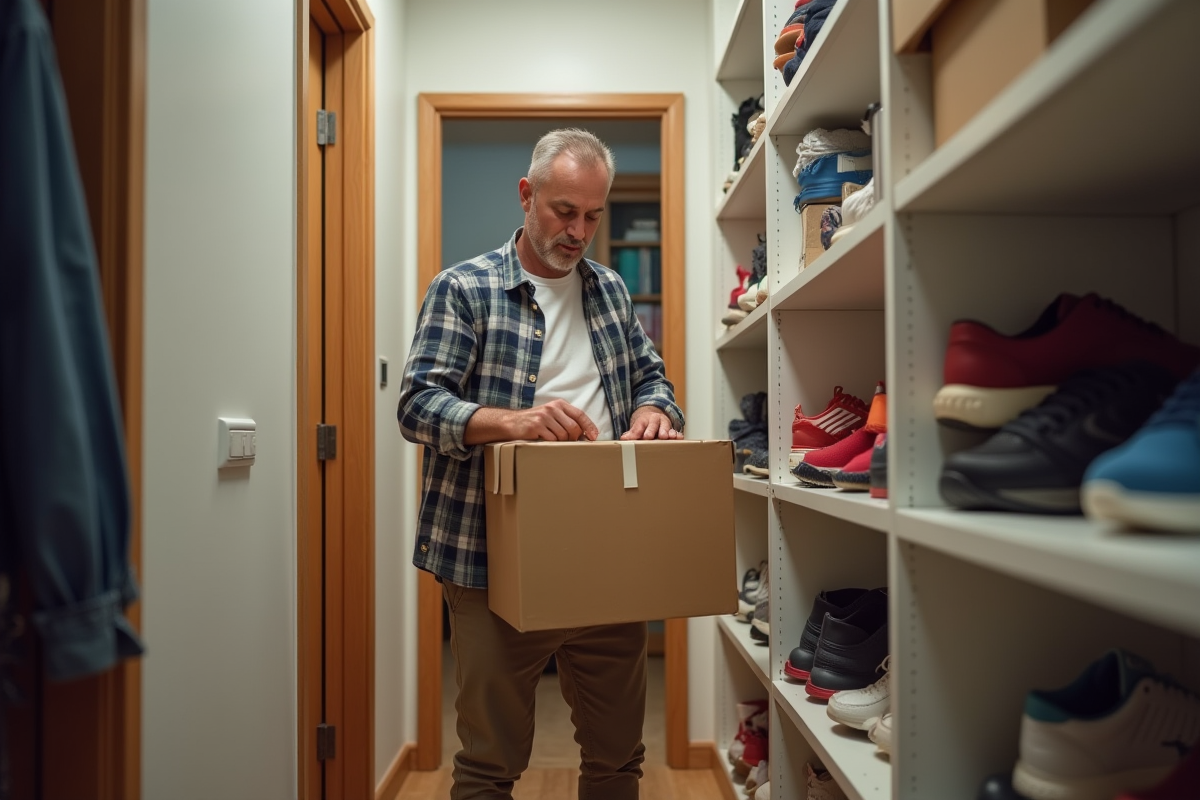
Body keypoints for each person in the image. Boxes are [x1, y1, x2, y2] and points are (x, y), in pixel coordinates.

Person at [397, 128, 684, 800]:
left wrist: (655, 409)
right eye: (564, 211)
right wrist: (513, 422)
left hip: (607, 558)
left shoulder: (611, 291)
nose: (578, 232)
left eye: (593, 216)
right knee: (489, 766)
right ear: (526, 195)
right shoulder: (463, 288)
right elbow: (417, 405)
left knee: (618, 759)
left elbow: (652, 376)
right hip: (490, 561)